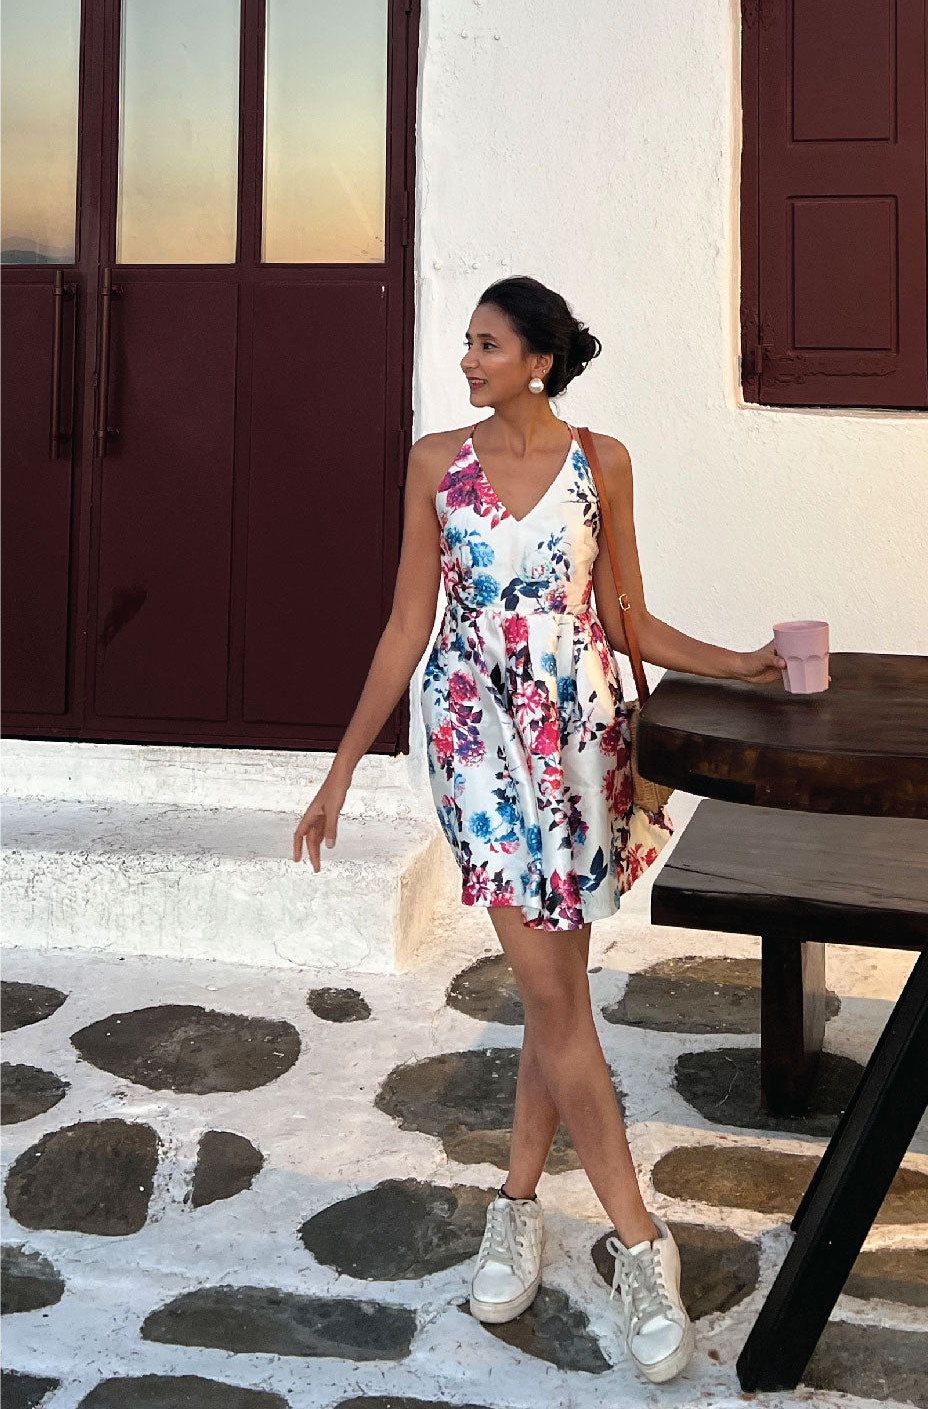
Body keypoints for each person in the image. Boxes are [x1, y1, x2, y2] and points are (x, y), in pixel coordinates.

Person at [293, 274, 785, 1384]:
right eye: (467, 343)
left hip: (581, 744)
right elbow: (407, 625)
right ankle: (641, 1246)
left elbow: (625, 616)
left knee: (549, 993)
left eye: (487, 345)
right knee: (557, 999)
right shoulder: (435, 464)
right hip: (476, 746)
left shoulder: (601, 462)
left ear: (539, 362)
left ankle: (515, 1205)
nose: (467, 361)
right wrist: (339, 771)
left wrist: (741, 664)